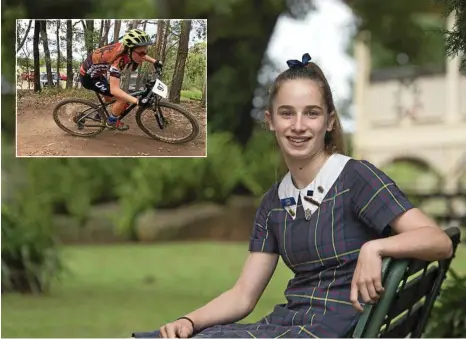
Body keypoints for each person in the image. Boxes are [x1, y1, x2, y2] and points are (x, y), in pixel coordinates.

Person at [131, 53, 453, 338]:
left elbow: (439, 240)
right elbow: (244, 295)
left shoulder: (355, 178)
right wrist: (189, 320)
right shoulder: (273, 204)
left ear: (329, 122)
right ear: (270, 121)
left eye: (311, 113)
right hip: (289, 325)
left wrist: (377, 247)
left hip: (326, 330)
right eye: (287, 113)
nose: (298, 125)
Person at [79, 28, 163, 130]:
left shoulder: (125, 48)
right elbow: (115, 90)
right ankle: (111, 123)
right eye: (141, 54)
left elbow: (140, 53)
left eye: (145, 52)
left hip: (96, 73)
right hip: (88, 78)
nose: (143, 56)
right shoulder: (117, 62)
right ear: (130, 50)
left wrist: (155, 61)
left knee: (110, 98)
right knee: (121, 99)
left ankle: (99, 113)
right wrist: (137, 101)